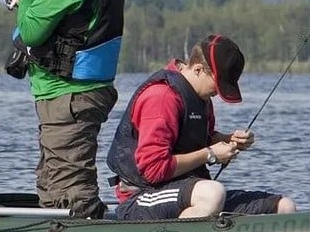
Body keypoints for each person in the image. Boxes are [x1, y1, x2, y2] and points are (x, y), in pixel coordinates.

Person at [8, 0, 125, 219]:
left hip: (68, 96)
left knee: (70, 190)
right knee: (53, 181)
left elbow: (31, 31)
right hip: (80, 92)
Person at [106, 35, 296, 220]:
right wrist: (210, 154)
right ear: (198, 69)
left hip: (186, 192)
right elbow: (153, 169)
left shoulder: (200, 96)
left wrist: (227, 140)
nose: (218, 93)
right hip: (142, 197)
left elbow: (195, 140)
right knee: (213, 193)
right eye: (218, 84)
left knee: (284, 207)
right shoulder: (161, 97)